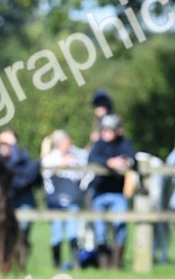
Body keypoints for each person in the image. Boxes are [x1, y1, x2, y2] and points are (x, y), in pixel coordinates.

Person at [88, 113, 136, 268]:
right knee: (100, 230)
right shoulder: (99, 144)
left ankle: (116, 264)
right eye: (105, 130)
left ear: (116, 131)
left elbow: (132, 159)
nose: (106, 133)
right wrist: (109, 162)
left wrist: (125, 162)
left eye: (110, 130)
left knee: (120, 226)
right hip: (99, 192)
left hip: (117, 193)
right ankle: (104, 265)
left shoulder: (124, 143)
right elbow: (92, 158)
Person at [0, 128, 40, 245]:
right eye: (3, 143)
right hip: (5, 201)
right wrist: (2, 150)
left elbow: (17, 162)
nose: (5, 146)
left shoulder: (24, 156)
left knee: (23, 228)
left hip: (24, 200)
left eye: (9, 144)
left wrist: (13, 146)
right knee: (4, 232)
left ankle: (21, 251)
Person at [41, 129, 86, 269]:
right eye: (67, 142)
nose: (70, 145)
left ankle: (75, 264)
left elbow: (83, 171)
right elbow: (46, 174)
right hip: (55, 203)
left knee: (74, 233)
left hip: (72, 201)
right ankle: (57, 264)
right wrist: (61, 165)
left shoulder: (75, 156)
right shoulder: (50, 158)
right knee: (57, 235)